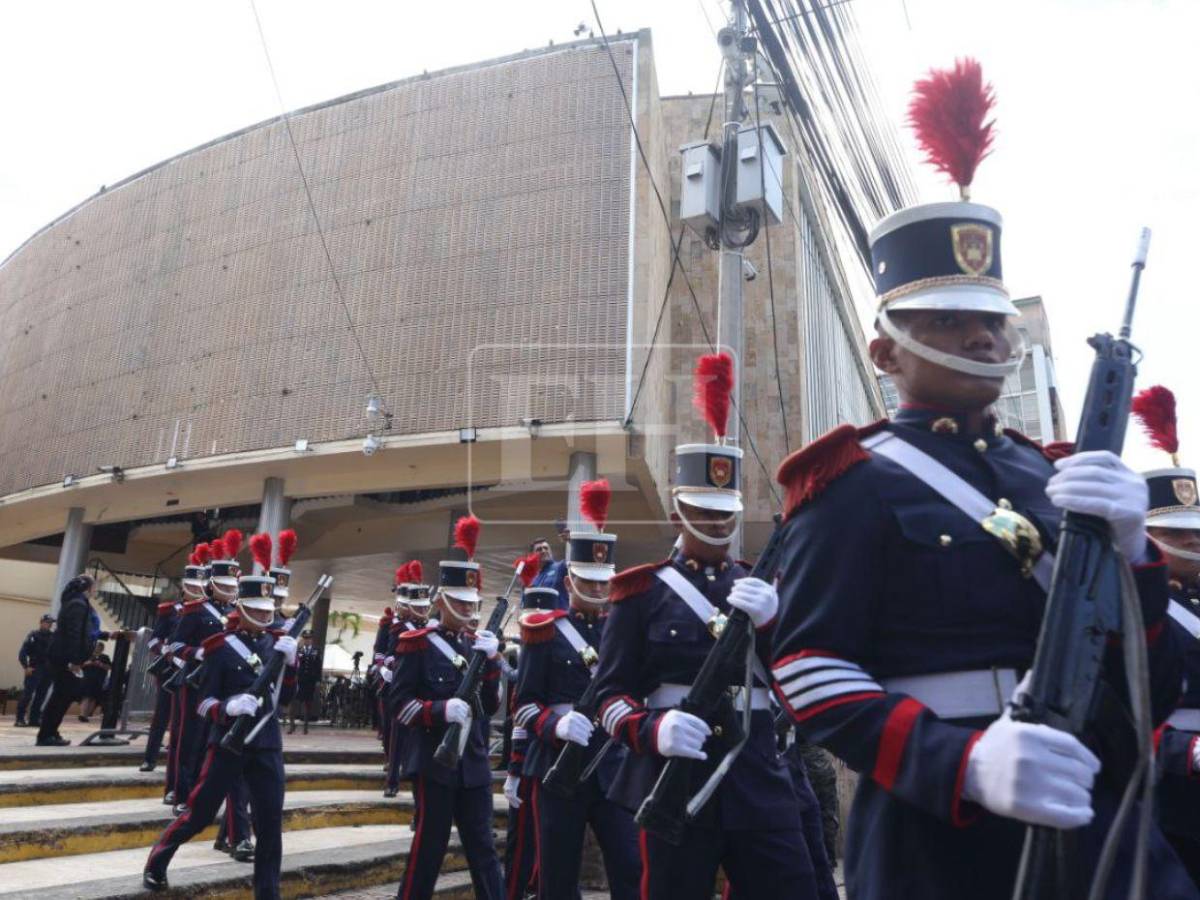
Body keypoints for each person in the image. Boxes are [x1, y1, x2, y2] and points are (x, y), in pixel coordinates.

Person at [768, 60, 1193, 900]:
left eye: (991, 320)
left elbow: (1140, 663)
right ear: (887, 350)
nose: (984, 341)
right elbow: (810, 667)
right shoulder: (855, 480)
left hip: (1089, 790)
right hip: (941, 821)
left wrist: (1136, 551)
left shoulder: (1053, 474)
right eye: (949, 322)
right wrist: (961, 763)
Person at [592, 361, 818, 900]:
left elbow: (799, 685)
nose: (718, 525)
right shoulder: (641, 593)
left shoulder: (762, 588)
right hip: (679, 777)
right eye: (704, 511)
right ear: (678, 512)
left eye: (725, 513)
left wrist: (772, 625)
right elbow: (607, 696)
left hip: (758, 775)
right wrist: (653, 730)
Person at [515, 479, 641, 900]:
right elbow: (525, 707)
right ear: (569, 583)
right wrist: (557, 724)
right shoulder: (544, 632)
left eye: (604, 582)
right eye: (589, 582)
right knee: (557, 875)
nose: (600, 591)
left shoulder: (620, 633)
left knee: (630, 867)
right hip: (557, 767)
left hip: (612, 763)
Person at [143, 569, 300, 897]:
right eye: (255, 608)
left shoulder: (277, 644)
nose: (262, 614)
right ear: (240, 609)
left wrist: (291, 664)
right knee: (198, 814)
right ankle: (157, 860)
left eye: (265, 608)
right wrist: (227, 707)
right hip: (229, 745)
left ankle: (267, 893)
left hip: (267, 744)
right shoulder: (219, 647)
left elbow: (284, 698)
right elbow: (202, 704)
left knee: (270, 826)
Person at [391, 516, 504, 900]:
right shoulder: (416, 643)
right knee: (429, 850)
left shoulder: (478, 645)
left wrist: (491, 665)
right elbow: (400, 706)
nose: (467, 610)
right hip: (434, 762)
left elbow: (490, 706)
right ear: (440, 600)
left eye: (472, 603)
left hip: (472, 763)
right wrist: (439, 711)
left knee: (484, 851)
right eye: (458, 602)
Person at [1134, 387, 1200, 884]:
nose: (1194, 541)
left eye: (1197, 531)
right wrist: (1185, 751)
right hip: (1168, 790)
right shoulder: (1134, 604)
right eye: (1179, 534)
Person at [36, 575, 102, 746]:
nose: (96, 590)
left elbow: (82, 632)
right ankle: (46, 735)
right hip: (64, 657)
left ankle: (50, 732)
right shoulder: (78, 604)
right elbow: (74, 634)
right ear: (86, 588)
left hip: (64, 656)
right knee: (61, 696)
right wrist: (74, 661)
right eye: (94, 587)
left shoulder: (77, 603)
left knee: (63, 695)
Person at [15, 614, 53, 728]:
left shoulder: (53, 636)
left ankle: (34, 719)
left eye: (51, 623)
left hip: (48, 670)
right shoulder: (33, 635)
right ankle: (20, 719)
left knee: (41, 696)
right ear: (41, 622)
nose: (49, 624)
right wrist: (26, 666)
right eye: (47, 622)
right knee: (27, 694)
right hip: (35, 668)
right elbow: (23, 652)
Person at [288, 631, 322, 735]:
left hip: (310, 680)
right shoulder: (298, 650)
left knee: (308, 703)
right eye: (305, 638)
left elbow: (318, 666)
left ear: (312, 639)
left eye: (309, 638)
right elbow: (293, 664)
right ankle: (292, 725)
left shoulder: (316, 650)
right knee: (294, 702)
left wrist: (318, 680)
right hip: (299, 679)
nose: (307, 640)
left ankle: (305, 726)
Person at [78, 640, 112, 721]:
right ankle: (83, 714)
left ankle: (87, 714)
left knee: (93, 698)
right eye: (97, 647)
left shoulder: (105, 657)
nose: (98, 648)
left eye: (100, 647)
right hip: (87, 678)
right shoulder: (88, 655)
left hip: (98, 680)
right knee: (86, 696)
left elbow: (109, 667)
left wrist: (100, 664)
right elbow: (80, 665)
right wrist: (89, 663)